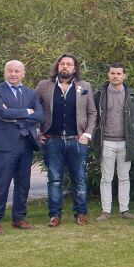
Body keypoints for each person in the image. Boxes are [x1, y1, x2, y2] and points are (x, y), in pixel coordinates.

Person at [35, 54, 96, 227]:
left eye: (69, 64)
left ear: (75, 68)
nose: (65, 66)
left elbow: (92, 113)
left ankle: (81, 213)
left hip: (77, 140)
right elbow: (34, 109)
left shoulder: (85, 86)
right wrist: (37, 131)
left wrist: (88, 134)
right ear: (57, 66)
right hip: (52, 141)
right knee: (54, 179)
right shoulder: (44, 86)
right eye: (62, 63)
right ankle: (55, 215)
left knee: (79, 179)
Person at [0, 60, 44, 234]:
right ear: (5, 73)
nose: (13, 74)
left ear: (23, 73)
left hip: (26, 143)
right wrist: (27, 112)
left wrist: (13, 115)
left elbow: (40, 116)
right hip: (4, 144)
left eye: (17, 71)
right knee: (1, 183)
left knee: (23, 183)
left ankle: (19, 218)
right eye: (10, 71)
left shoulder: (31, 94)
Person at [93, 63, 134, 221]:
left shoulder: (132, 95)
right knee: (106, 178)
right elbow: (94, 117)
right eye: (113, 73)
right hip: (106, 141)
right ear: (108, 75)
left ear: (124, 76)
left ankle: (124, 210)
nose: (115, 76)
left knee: (124, 177)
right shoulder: (100, 94)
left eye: (119, 74)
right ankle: (106, 211)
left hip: (125, 142)